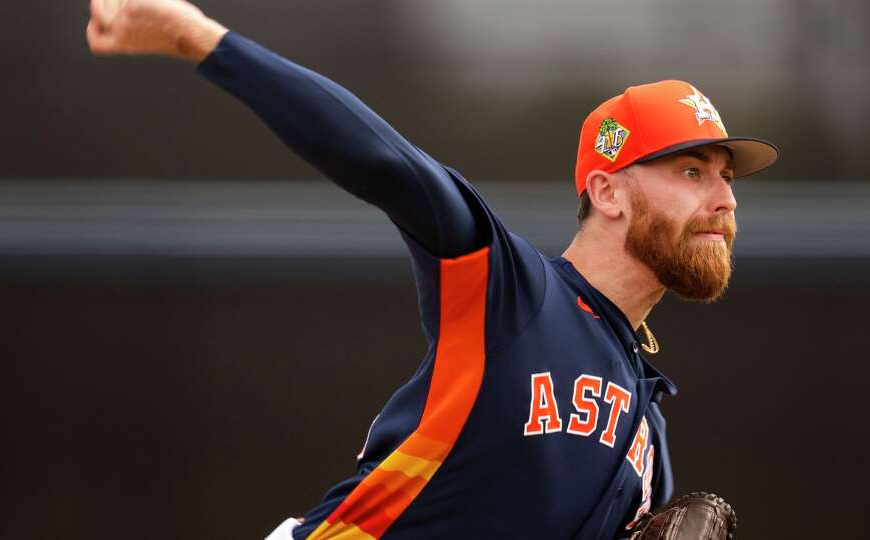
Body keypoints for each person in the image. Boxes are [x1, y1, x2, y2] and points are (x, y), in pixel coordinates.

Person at [86, 1, 779, 539]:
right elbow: (386, 162)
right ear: (606, 192)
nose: (724, 198)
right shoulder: (516, 295)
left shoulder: (647, 439)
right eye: (691, 170)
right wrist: (202, 39)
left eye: (725, 178)